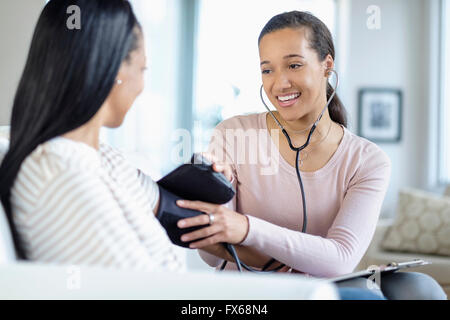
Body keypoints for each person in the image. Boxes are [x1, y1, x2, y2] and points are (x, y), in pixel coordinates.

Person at [174, 11, 447, 300]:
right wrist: (205, 198)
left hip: (317, 295)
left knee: (420, 289)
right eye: (267, 70)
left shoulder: (367, 160)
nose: (279, 84)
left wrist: (245, 229)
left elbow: (340, 258)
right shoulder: (233, 134)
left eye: (293, 65)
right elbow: (214, 256)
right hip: (247, 296)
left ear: (326, 65)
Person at [0, 0, 194, 272]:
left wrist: (213, 181)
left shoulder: (104, 157)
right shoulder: (58, 172)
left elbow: (174, 208)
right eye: (143, 69)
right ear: (114, 68)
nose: (142, 85)